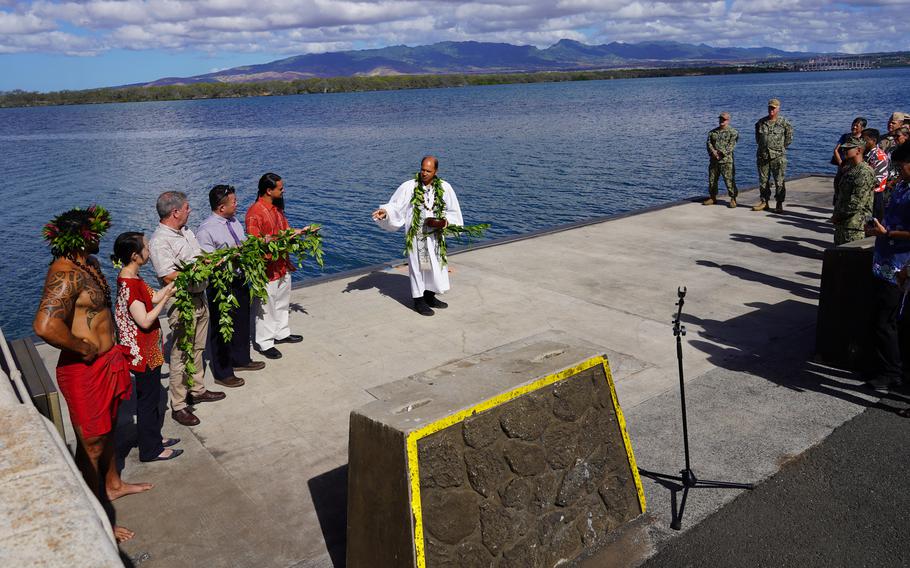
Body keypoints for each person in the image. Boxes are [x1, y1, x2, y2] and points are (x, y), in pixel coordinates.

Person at [33, 206, 151, 543]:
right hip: (83, 370)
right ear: (81, 237)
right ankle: (96, 516)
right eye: (94, 231)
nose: (100, 236)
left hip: (108, 362)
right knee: (91, 446)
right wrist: (83, 348)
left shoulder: (91, 265)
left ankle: (113, 485)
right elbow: (44, 325)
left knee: (110, 428)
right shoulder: (64, 273)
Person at [149, 191, 225, 427]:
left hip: (199, 296)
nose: (190, 211)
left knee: (198, 346)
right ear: (175, 212)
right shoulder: (160, 241)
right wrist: (198, 272)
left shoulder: (186, 231)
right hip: (181, 300)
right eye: (187, 208)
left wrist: (211, 261)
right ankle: (179, 405)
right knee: (181, 353)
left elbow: (198, 256)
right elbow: (167, 275)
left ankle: (197, 388)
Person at [111, 232, 183, 462]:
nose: (149, 250)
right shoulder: (130, 285)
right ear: (135, 255)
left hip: (147, 349)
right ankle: (150, 449)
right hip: (143, 352)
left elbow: (152, 296)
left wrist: (171, 287)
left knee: (150, 399)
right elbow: (144, 320)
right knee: (148, 400)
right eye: (145, 247)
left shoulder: (133, 277)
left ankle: (152, 437)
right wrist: (165, 300)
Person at [372, 155, 464, 316]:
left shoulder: (445, 188)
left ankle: (430, 296)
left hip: (435, 236)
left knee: (435, 266)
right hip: (417, 235)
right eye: (422, 169)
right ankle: (419, 300)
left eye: (428, 170)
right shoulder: (410, 186)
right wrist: (385, 212)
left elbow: (453, 211)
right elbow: (396, 206)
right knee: (419, 267)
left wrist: (445, 223)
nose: (424, 173)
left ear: (436, 171)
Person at [196, 184, 265, 384]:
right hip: (222, 283)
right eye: (233, 202)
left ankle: (241, 359)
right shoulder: (206, 230)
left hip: (240, 277)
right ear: (221, 207)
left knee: (242, 320)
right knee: (222, 325)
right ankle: (223, 371)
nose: (237, 204)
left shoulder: (233, 221)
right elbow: (207, 262)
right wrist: (229, 258)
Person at [245, 173, 312, 359]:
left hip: (282, 264)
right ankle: (265, 342)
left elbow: (285, 231)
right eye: (280, 189)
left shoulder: (276, 209)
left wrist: (300, 232)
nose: (283, 191)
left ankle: (281, 332)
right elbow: (253, 243)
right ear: (269, 190)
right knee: (266, 306)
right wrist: (275, 240)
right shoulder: (255, 212)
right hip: (266, 269)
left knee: (282, 301)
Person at [864, 142, 910, 395]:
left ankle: (892, 372)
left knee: (887, 320)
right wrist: (878, 229)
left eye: (902, 166)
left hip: (900, 266)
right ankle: (884, 366)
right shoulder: (903, 186)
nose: (898, 170)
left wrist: (889, 232)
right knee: (880, 318)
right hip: (884, 261)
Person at [753, 98, 794, 213]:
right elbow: (758, 139)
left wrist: (778, 148)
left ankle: (779, 203)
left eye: (773, 108)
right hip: (763, 156)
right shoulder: (760, 123)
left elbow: (789, 139)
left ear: (778, 109)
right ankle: (764, 202)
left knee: (779, 181)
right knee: (763, 181)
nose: (771, 110)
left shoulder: (784, 123)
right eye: (770, 107)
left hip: (778, 157)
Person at [831, 138, 874, 246]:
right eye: (844, 149)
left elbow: (857, 202)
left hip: (855, 225)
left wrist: (839, 215)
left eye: (848, 149)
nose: (844, 151)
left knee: (850, 257)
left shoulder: (864, 172)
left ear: (858, 150)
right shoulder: (850, 168)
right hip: (843, 223)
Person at [703, 111, 739, 208]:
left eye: (724, 119)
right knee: (712, 180)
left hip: (726, 161)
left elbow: (731, 145)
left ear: (728, 120)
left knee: (729, 180)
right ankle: (713, 197)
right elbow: (708, 143)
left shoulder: (733, 132)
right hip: (714, 160)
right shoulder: (712, 132)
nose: (721, 121)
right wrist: (713, 152)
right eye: (720, 119)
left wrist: (720, 153)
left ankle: (733, 199)